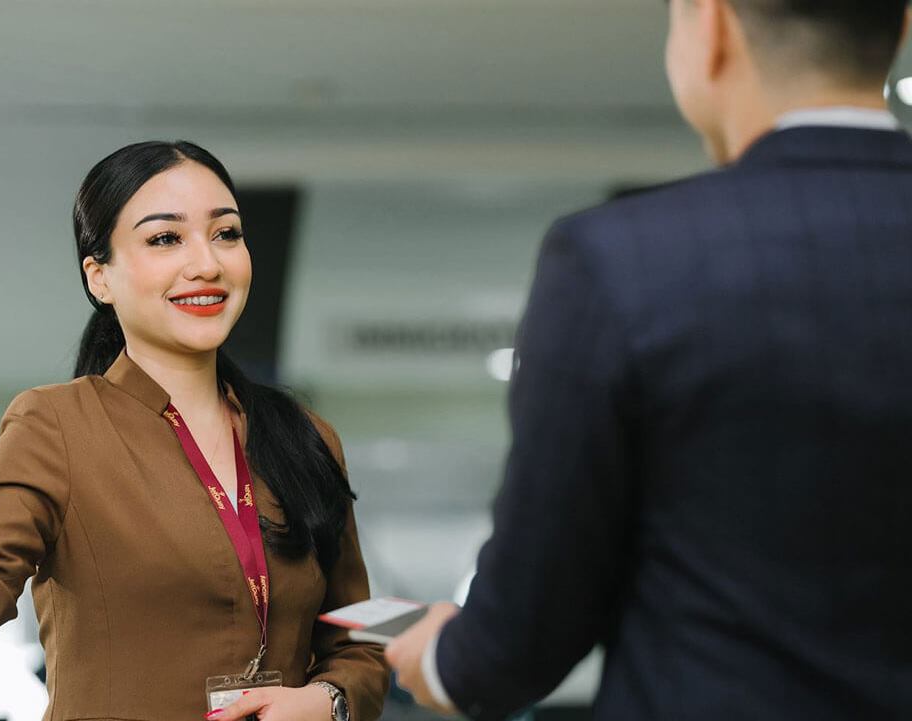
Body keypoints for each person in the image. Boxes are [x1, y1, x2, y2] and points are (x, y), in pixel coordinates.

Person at [385, 1, 912, 719]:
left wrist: (445, 657)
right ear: (904, 26)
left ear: (714, 28)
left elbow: (528, 624)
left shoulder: (621, 260)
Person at [0, 140, 387, 721]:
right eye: (165, 239)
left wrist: (328, 701)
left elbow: (365, 633)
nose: (205, 262)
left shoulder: (305, 437)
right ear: (99, 276)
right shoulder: (55, 425)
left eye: (226, 233)